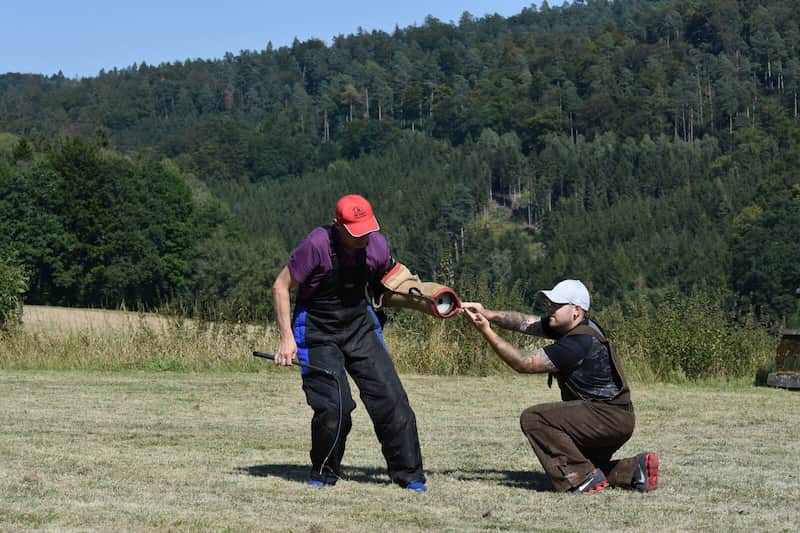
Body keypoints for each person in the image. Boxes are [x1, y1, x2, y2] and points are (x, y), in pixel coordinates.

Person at [272, 194, 427, 492]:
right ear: (337, 225)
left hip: (359, 326)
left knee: (392, 399)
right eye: (356, 233)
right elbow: (281, 286)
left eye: (367, 230)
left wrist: (425, 297)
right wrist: (286, 338)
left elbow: (388, 282)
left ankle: (410, 476)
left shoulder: (377, 245)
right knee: (335, 406)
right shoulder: (317, 244)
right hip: (317, 329)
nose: (363, 238)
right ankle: (324, 472)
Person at [462, 279, 658, 494]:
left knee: (534, 418)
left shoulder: (578, 343)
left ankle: (581, 480)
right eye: (551, 303)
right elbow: (525, 322)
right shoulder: (580, 326)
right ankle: (635, 469)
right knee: (588, 465)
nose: (551, 309)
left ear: (576, 310)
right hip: (617, 418)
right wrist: (487, 313)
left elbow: (523, 363)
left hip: (605, 418)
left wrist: (485, 330)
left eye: (557, 304)